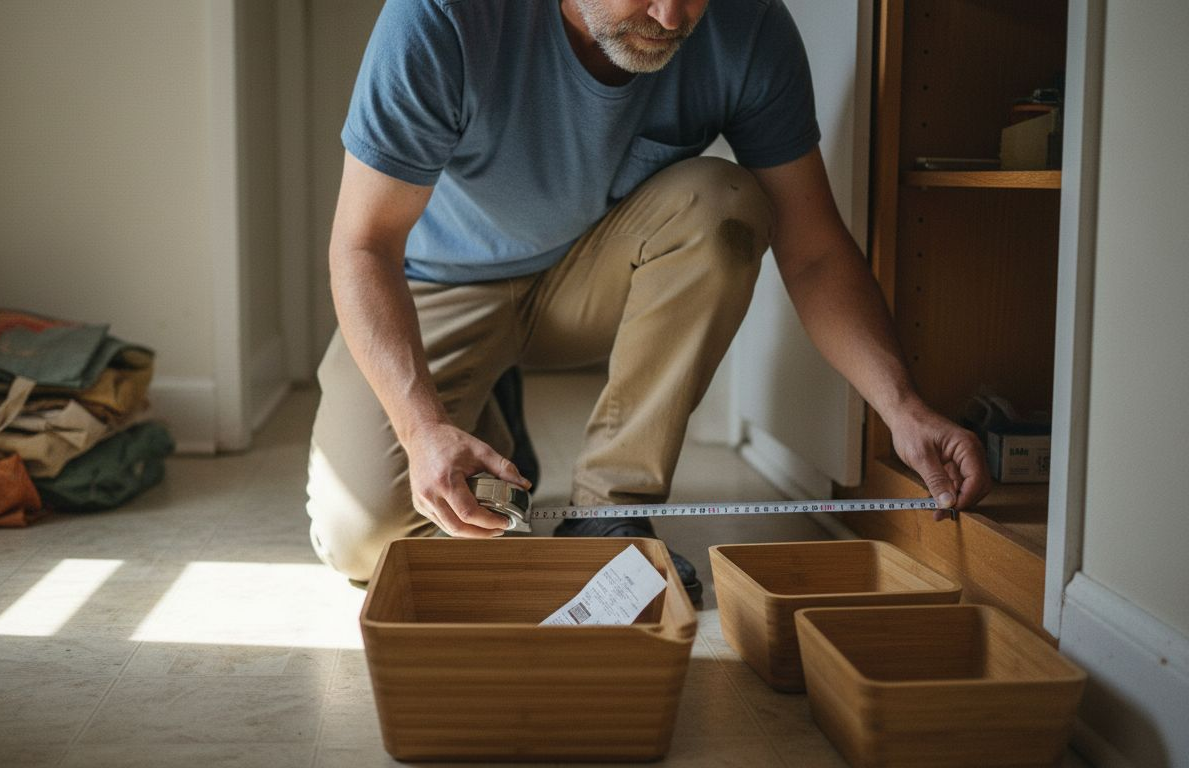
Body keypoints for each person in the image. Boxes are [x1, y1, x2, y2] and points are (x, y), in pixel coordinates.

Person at [305, 0, 991, 596]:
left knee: (725, 202)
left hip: (594, 277)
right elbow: (362, 246)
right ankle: (477, 407)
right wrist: (423, 429)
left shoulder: (749, 30)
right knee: (364, 538)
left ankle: (608, 508)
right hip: (439, 283)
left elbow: (813, 252)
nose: (670, 18)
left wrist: (903, 409)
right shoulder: (443, 17)